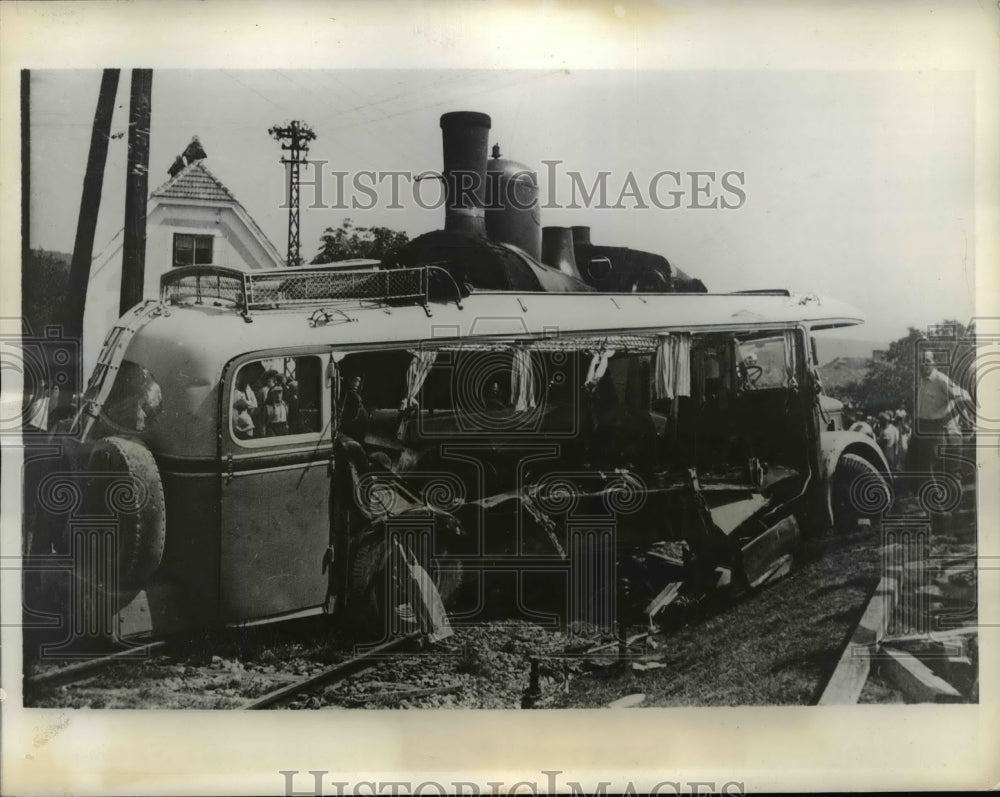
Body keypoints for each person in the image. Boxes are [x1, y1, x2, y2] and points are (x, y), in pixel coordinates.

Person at [910, 350, 970, 476]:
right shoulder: (922, 381)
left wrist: (947, 418)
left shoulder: (940, 380)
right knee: (925, 470)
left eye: (927, 361)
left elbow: (965, 397)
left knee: (939, 472)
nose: (924, 364)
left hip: (936, 429)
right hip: (923, 429)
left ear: (934, 363)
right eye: (921, 361)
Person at [340, 375, 369, 441]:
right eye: (355, 380)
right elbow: (351, 416)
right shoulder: (350, 395)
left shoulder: (355, 395)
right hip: (354, 429)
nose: (357, 383)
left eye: (358, 381)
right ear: (350, 381)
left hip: (360, 429)